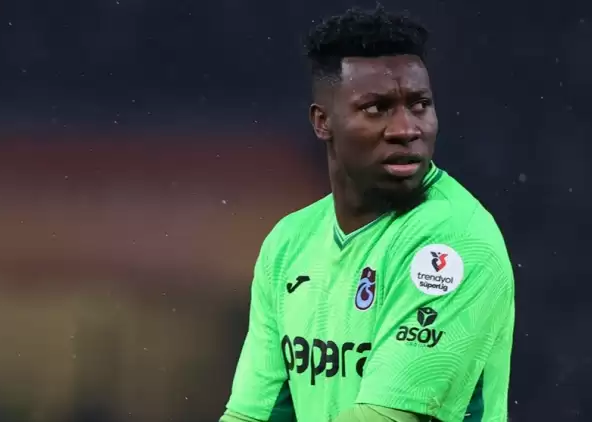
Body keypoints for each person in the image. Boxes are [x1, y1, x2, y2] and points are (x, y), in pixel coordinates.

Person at [220, 5, 515, 422]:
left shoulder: (454, 241)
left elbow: (386, 416)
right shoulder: (288, 244)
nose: (406, 129)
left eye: (420, 104)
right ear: (323, 122)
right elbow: (255, 414)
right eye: (377, 108)